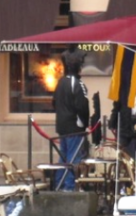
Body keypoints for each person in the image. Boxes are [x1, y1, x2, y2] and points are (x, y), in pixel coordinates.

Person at [52, 50, 90, 191]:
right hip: (75, 126)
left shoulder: (60, 82)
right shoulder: (78, 84)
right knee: (74, 157)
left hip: (62, 126)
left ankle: (60, 184)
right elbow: (82, 106)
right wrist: (84, 123)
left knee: (63, 157)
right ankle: (69, 186)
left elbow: (54, 103)